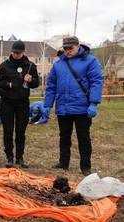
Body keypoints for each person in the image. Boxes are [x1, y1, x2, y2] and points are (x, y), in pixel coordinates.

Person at [43, 36, 103, 176]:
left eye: (70, 48)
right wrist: (47, 105)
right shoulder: (58, 64)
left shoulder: (90, 61)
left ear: (78, 46)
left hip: (82, 108)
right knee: (64, 137)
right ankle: (63, 163)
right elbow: (51, 85)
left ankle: (85, 166)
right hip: (63, 107)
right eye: (65, 49)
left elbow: (96, 82)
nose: (67, 51)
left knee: (83, 137)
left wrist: (94, 103)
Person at [0, 40, 39, 168]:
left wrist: (31, 80)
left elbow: (36, 83)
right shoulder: (4, 65)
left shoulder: (30, 66)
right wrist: (8, 84)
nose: (16, 55)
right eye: (14, 52)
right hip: (7, 102)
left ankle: (20, 157)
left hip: (22, 103)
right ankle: (9, 157)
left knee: (21, 131)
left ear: (23, 52)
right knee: (8, 130)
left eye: (18, 53)